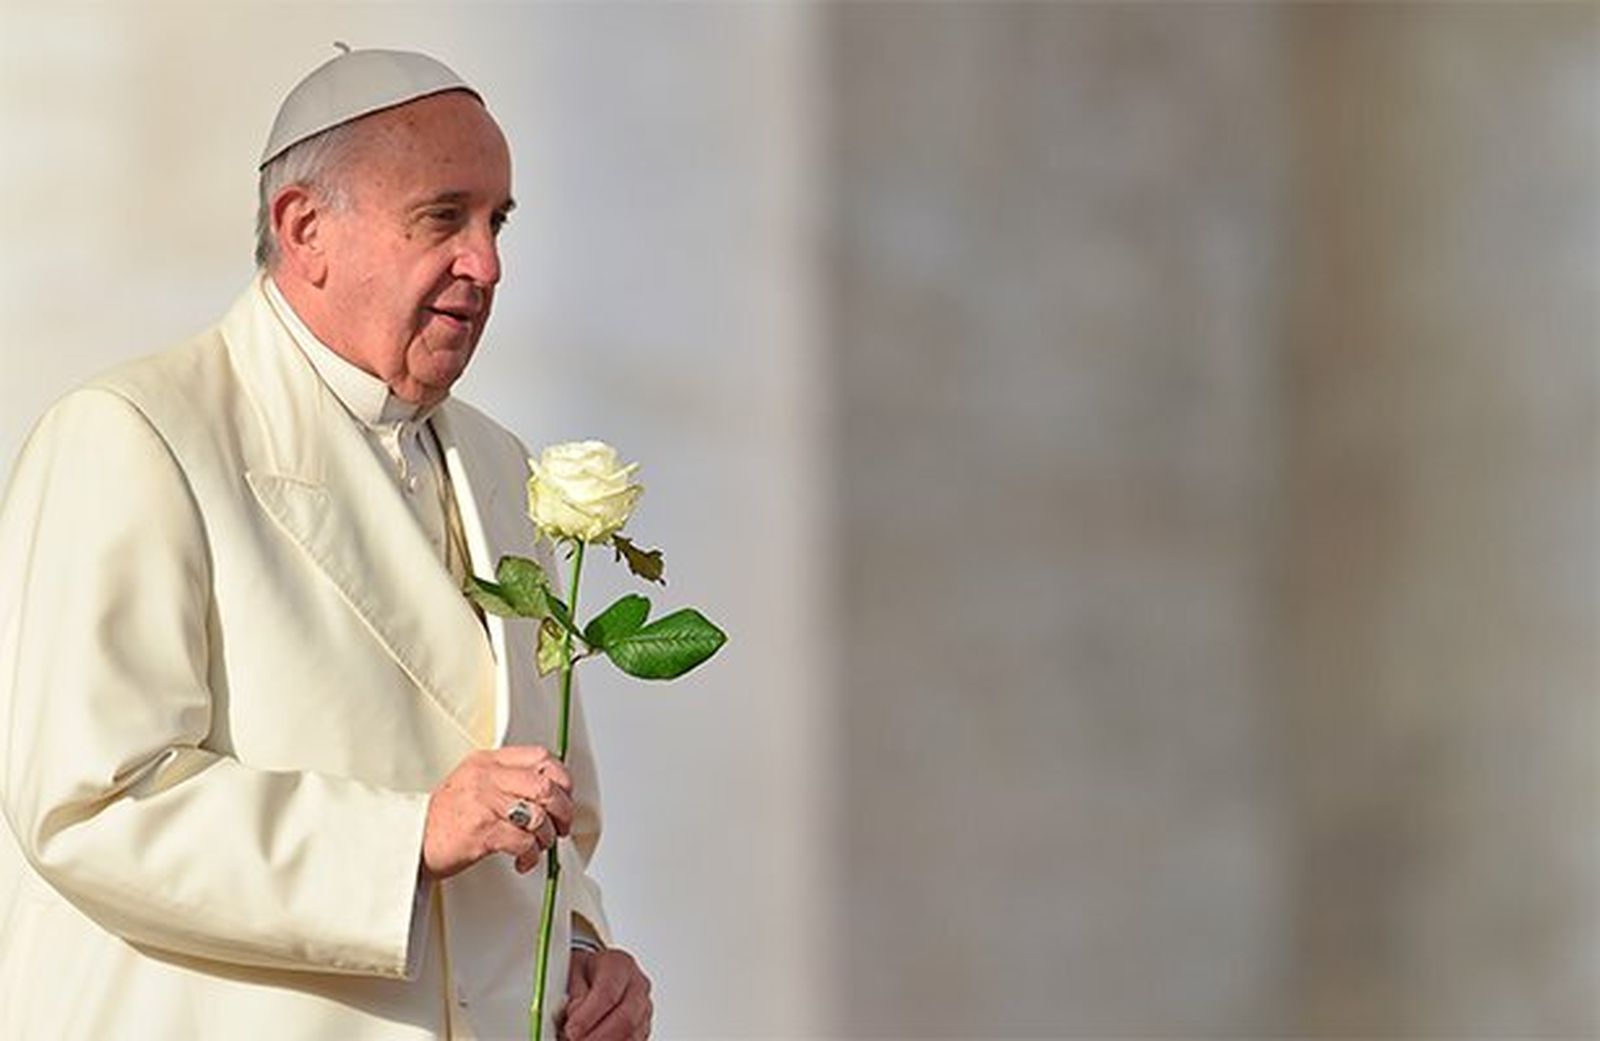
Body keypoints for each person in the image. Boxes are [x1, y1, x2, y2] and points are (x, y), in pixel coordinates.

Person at [0, 48, 652, 1040]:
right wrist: (404, 839)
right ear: (305, 229)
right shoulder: (138, 434)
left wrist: (582, 958)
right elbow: (90, 807)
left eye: (497, 221)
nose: (487, 263)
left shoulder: (496, 465)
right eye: (445, 217)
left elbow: (548, 814)